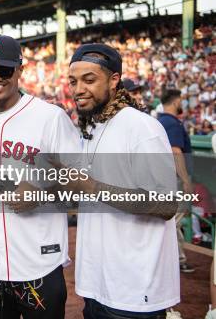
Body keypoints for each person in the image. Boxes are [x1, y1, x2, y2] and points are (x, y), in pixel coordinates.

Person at [0, 35, 81, 319]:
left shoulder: (50, 117)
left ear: (20, 69)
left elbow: (82, 185)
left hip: (37, 264)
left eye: (4, 70)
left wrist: (40, 195)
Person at [67, 43, 179, 319]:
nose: (78, 89)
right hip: (97, 286)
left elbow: (166, 205)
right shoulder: (93, 126)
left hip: (133, 294)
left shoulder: (142, 127)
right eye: (73, 81)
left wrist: (92, 187)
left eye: (89, 80)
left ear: (114, 80)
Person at [157, 89, 196, 273]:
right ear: (175, 102)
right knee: (173, 221)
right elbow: (176, 152)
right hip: (174, 178)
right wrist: (186, 179)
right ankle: (171, 260)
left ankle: (178, 259)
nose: (182, 104)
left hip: (163, 176)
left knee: (173, 220)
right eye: (181, 100)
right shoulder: (171, 123)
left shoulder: (160, 121)